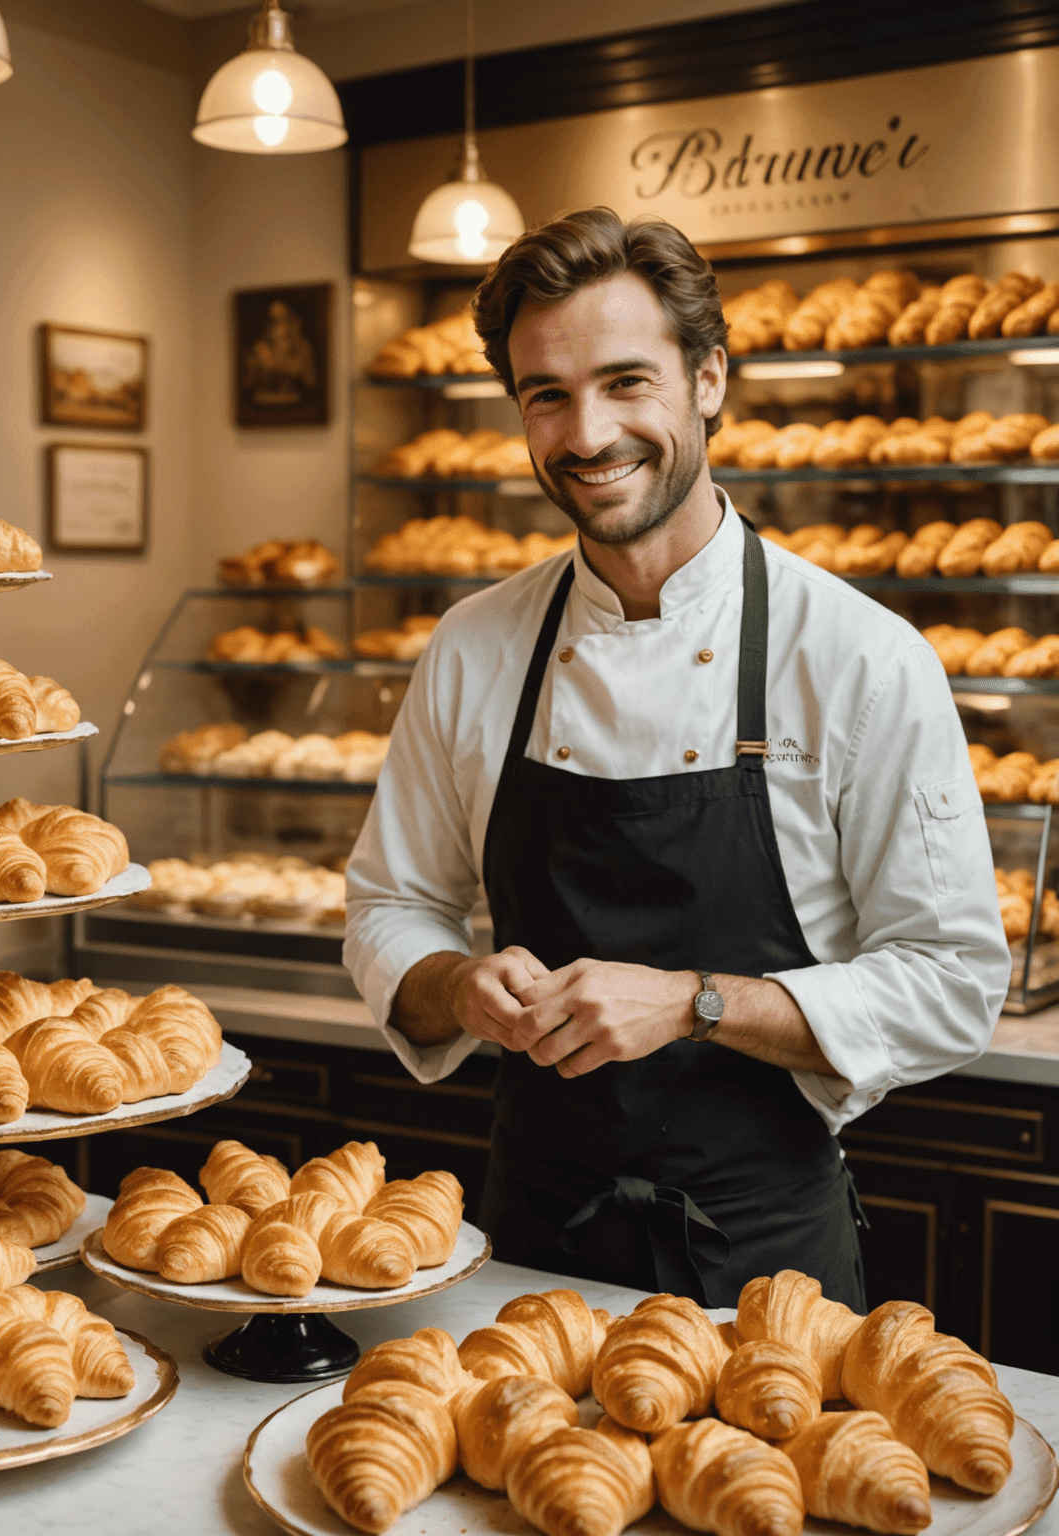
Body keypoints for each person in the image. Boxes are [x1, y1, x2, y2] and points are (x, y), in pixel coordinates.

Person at [342, 207, 1007, 1309]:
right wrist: (459, 985)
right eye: (545, 395)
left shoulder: (861, 658)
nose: (587, 432)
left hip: (766, 1271)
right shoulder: (473, 646)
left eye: (626, 382)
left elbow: (951, 982)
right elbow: (387, 906)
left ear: (707, 380)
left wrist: (695, 1003)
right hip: (524, 1259)